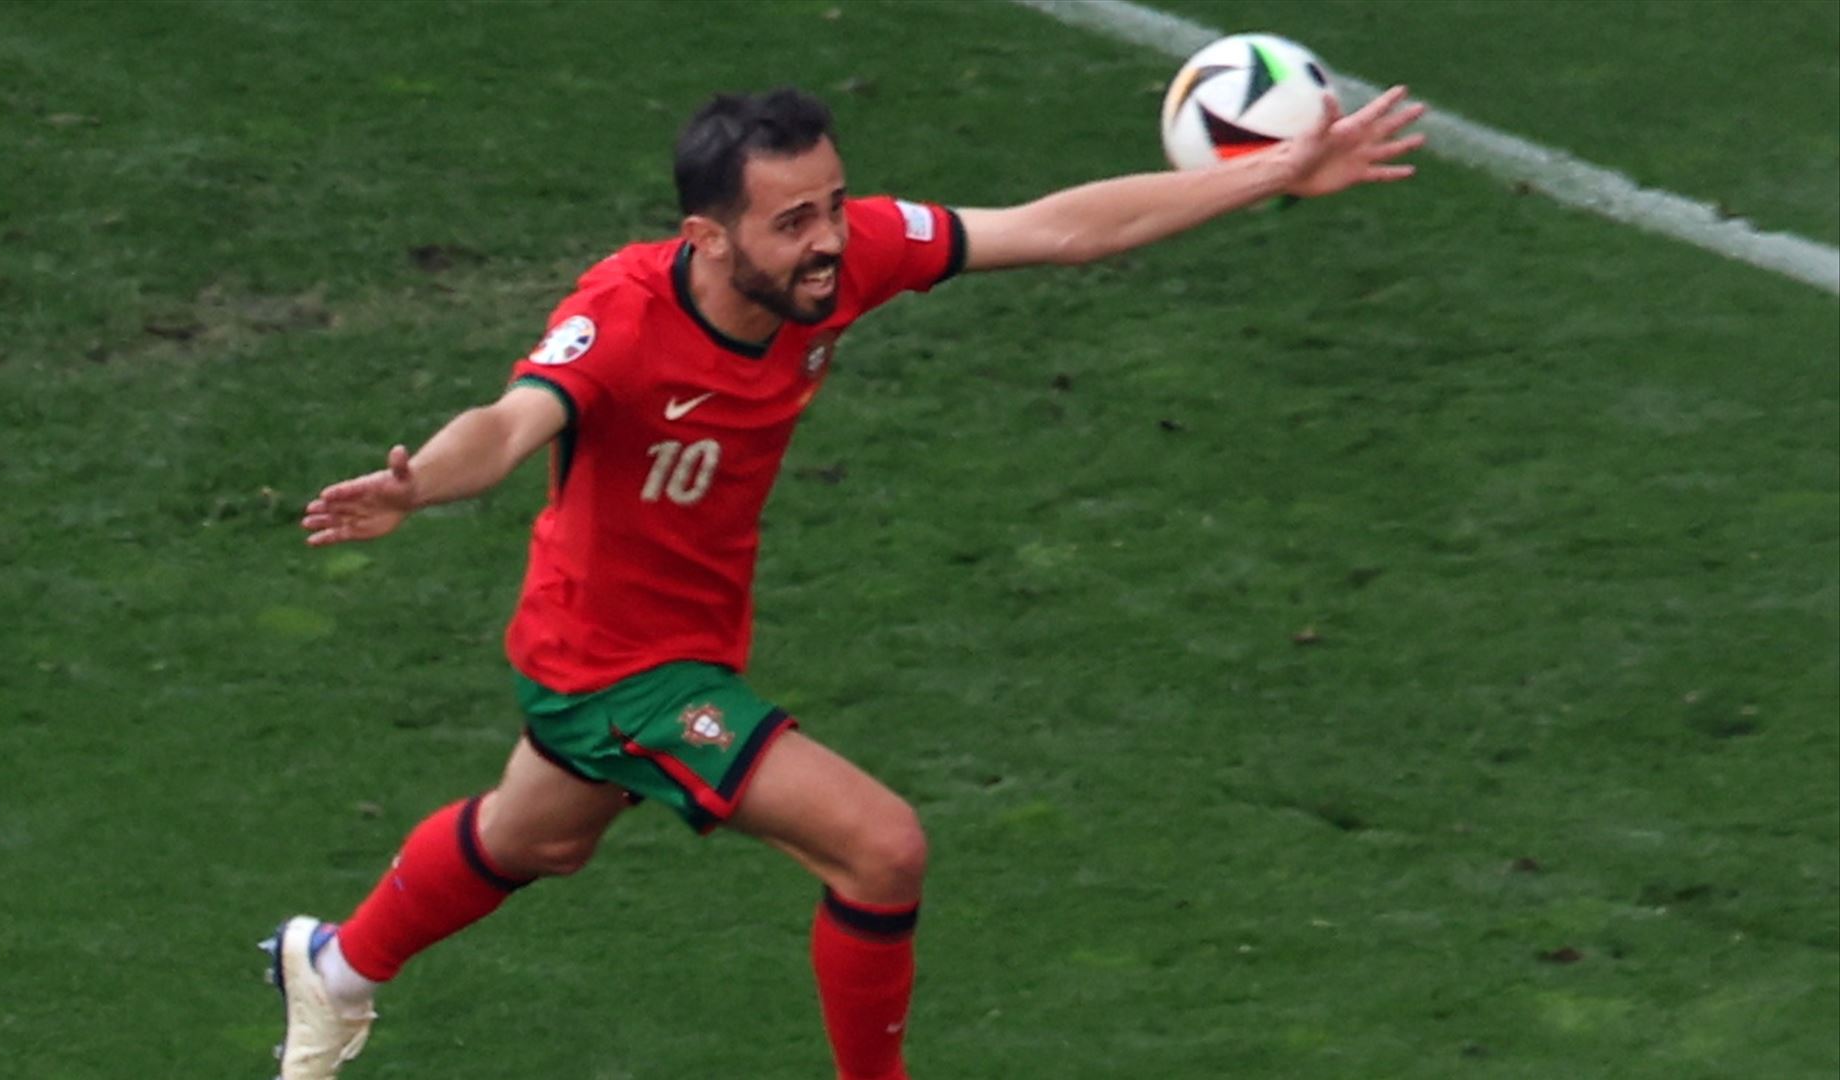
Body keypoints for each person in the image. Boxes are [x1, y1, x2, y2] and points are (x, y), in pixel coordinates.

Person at [264, 84, 1425, 1079]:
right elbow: (511, 423)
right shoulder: (623, 318)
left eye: (833, 204)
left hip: (690, 634)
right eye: (792, 222)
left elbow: (1061, 229)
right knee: (881, 848)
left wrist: (1273, 170)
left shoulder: (843, 257)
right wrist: (419, 487)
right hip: (612, 670)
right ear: (708, 237)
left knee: (537, 841)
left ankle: (335, 967)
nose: (828, 240)